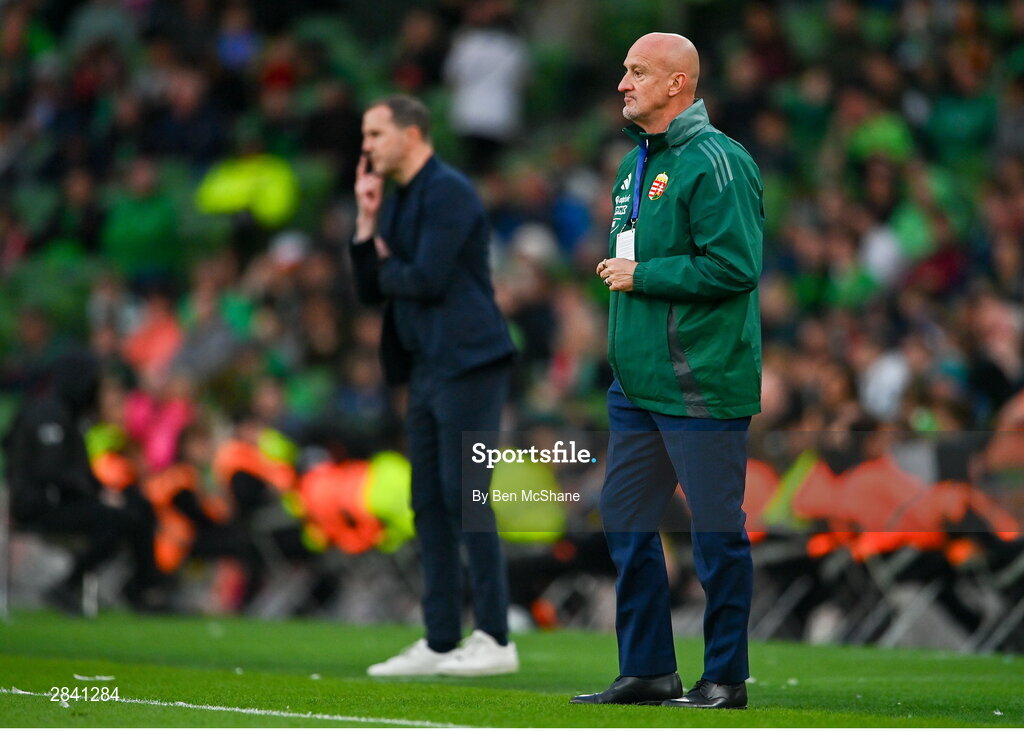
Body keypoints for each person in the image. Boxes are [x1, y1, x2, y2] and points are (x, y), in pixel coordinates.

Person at [570, 33, 764, 709]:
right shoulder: (635, 165)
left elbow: (736, 266)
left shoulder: (718, 161)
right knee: (623, 516)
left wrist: (642, 274)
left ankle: (726, 677)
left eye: (638, 72)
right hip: (638, 385)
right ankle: (649, 667)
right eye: (624, 70)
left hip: (700, 379)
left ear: (677, 84)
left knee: (715, 533)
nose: (623, 83)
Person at [349, 94, 519, 676]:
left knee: (464, 496)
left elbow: (425, 277)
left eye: (375, 134)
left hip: (470, 362)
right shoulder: (396, 200)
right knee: (427, 502)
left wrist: (388, 265)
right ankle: (441, 638)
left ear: (413, 133)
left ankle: (496, 638)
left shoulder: (449, 191)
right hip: (426, 367)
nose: (366, 145)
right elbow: (372, 291)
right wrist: (368, 225)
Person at [3, 350, 163, 613]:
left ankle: (144, 587)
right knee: (120, 518)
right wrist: (95, 495)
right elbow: (50, 471)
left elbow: (75, 472)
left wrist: (100, 491)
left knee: (138, 507)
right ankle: (69, 584)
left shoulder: (67, 416)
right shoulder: (48, 415)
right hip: (40, 505)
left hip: (59, 501)